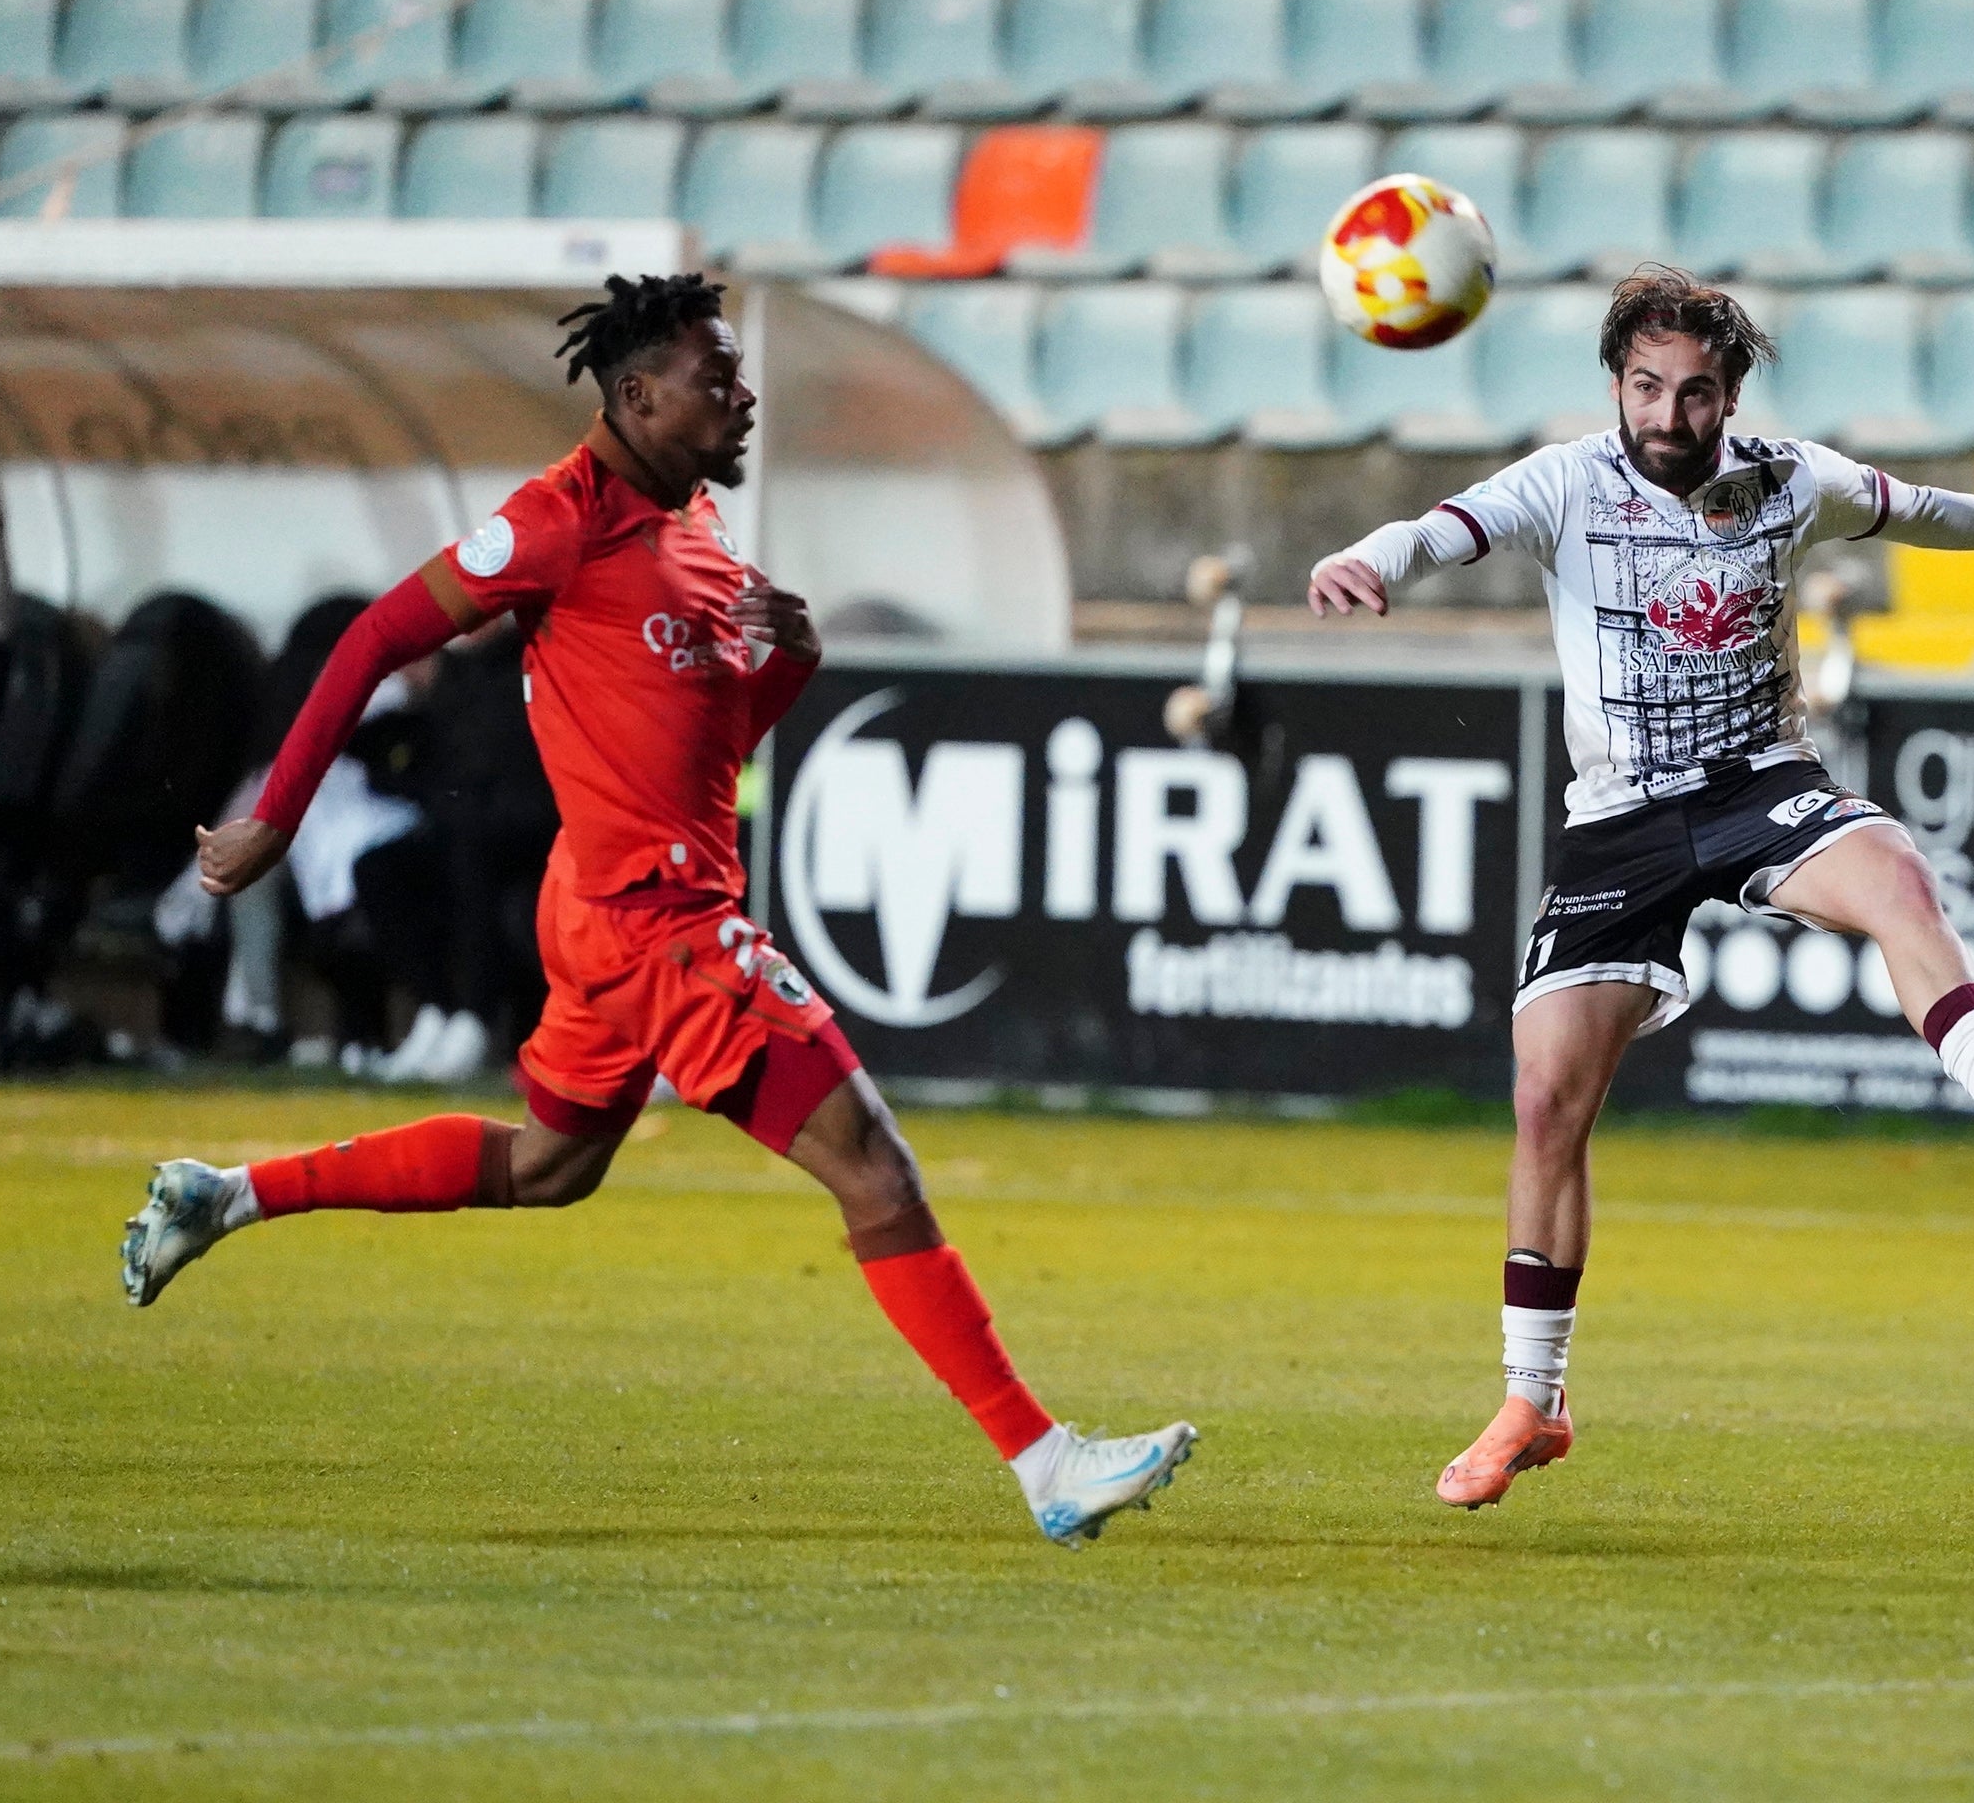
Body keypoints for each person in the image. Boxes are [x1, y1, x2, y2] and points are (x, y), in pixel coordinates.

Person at [120, 274, 1196, 1548]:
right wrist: (277, 818)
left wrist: (788, 659)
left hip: (614, 908)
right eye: (716, 377)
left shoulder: (695, 526)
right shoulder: (552, 523)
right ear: (635, 395)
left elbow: (711, 742)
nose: (742, 397)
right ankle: (1044, 1458)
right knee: (874, 1165)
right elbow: (373, 640)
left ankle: (224, 1194)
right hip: (658, 920)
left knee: (547, 1163)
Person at [1309, 267, 1974, 1512]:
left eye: (1694, 391)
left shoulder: (1787, 478)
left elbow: (1927, 510)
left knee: (1896, 872)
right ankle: (1531, 1402)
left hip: (1760, 778)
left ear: (1731, 393)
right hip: (1620, 824)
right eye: (1647, 387)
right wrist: (1370, 558)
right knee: (1546, 1101)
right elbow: (1445, 526)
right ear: (1617, 386)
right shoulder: (1563, 483)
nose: (1668, 413)